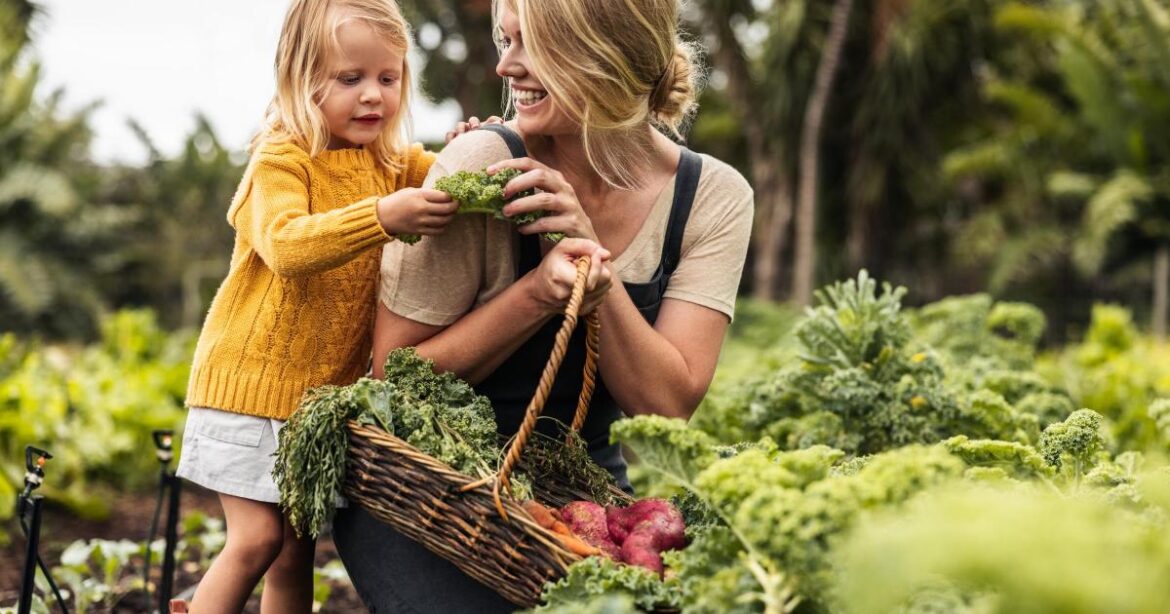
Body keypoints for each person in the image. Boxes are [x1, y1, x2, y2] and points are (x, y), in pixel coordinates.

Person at [332, 0, 755, 610]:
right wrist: (535, 295)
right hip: (430, 495)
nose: (506, 67)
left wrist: (587, 260)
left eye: (529, 44)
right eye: (505, 41)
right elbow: (392, 381)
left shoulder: (710, 197)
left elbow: (665, 406)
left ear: (603, 51)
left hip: (579, 496)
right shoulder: (481, 163)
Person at [173, 0, 459, 611]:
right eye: (350, 79)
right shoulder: (282, 158)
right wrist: (383, 216)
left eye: (388, 78)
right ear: (302, 81)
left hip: (312, 409)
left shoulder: (395, 164)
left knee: (294, 552)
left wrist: (470, 147)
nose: (372, 97)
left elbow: (453, 180)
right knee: (257, 540)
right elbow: (287, 245)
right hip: (247, 390)